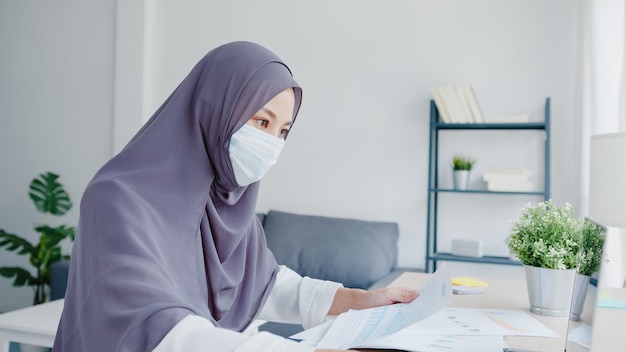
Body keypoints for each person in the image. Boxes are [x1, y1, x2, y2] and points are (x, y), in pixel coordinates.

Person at [53, 41, 418, 352]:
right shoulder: (117, 198)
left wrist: (354, 301)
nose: (272, 144)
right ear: (216, 109)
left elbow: (262, 282)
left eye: (283, 131)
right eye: (262, 122)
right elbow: (160, 327)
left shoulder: (224, 200)